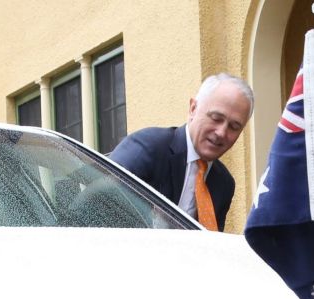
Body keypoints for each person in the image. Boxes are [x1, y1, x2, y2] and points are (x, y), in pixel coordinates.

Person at [109, 73, 254, 232]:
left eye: (234, 127)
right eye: (216, 118)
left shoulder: (224, 183)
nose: (221, 132)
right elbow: (96, 201)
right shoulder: (149, 148)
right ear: (193, 108)